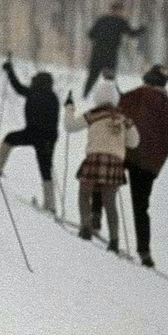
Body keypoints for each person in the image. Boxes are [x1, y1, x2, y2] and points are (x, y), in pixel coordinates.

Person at [117, 64, 168, 267]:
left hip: (128, 153)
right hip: (149, 165)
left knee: (104, 180)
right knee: (141, 207)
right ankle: (144, 251)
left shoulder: (138, 95)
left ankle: (95, 218)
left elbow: (117, 104)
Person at [64, 80, 138, 252]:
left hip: (94, 159)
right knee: (110, 201)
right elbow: (134, 142)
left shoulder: (93, 114)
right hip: (115, 163)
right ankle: (114, 240)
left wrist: (69, 108)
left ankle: (86, 228)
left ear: (98, 97)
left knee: (84, 193)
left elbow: (70, 126)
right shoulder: (124, 119)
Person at [0, 58, 61, 212]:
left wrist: (10, 71)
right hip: (48, 138)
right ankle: (50, 205)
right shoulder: (52, 97)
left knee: (10, 138)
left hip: (33, 132)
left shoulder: (34, 92)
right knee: (45, 167)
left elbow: (18, 88)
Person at [84, 2, 146, 96]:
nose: (119, 13)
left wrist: (100, 39)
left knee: (93, 76)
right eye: (119, 11)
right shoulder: (120, 22)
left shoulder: (102, 20)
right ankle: (112, 97)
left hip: (98, 52)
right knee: (109, 77)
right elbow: (131, 33)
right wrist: (141, 30)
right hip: (110, 53)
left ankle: (85, 95)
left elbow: (90, 34)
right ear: (119, 11)